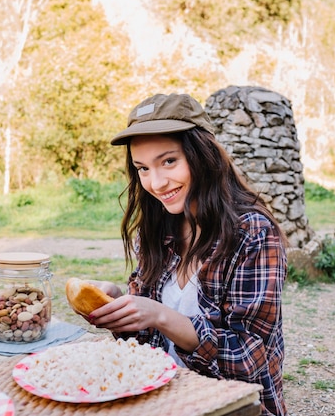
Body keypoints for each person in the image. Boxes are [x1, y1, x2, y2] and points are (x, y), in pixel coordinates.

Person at [86, 93, 288, 416]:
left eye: (169, 161)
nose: (156, 182)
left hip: (233, 408)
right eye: (143, 168)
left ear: (202, 154)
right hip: (162, 400)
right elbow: (147, 342)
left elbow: (251, 360)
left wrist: (161, 316)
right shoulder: (154, 229)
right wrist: (119, 309)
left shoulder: (253, 233)